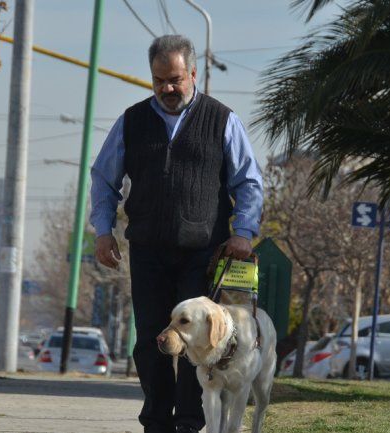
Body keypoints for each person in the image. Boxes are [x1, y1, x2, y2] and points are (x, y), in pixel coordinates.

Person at [90, 35, 263, 433]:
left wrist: (243, 231)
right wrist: (103, 231)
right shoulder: (132, 121)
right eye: (159, 81)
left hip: (203, 252)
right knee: (150, 340)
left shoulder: (222, 120)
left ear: (193, 74)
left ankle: (188, 422)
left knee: (196, 340)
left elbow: (248, 182)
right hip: (148, 250)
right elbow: (103, 179)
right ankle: (156, 421)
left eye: (175, 79)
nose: (167, 88)